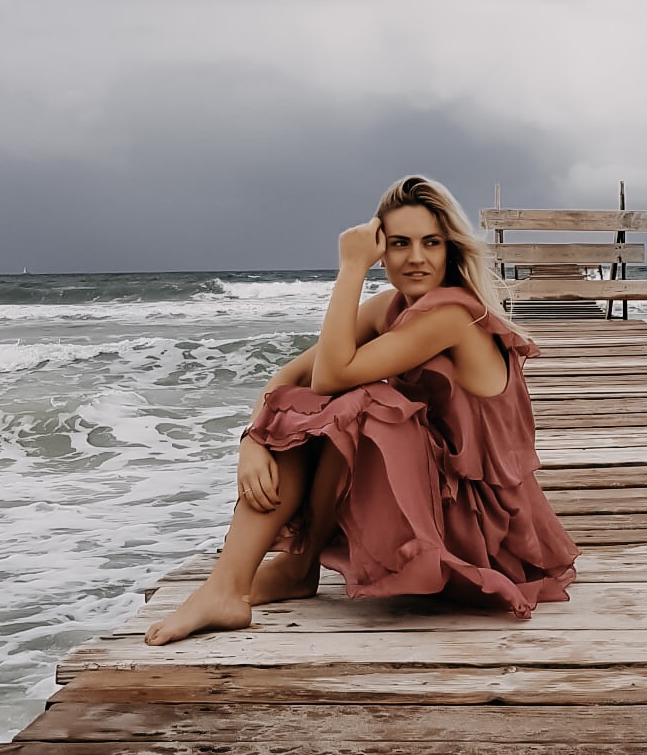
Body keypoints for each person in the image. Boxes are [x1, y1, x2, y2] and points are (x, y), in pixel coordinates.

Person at [145, 175, 578, 643]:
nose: (416, 257)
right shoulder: (390, 307)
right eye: (399, 244)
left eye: (431, 242)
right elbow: (290, 378)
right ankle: (247, 583)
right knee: (314, 405)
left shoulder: (452, 314)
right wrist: (252, 440)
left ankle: (284, 567)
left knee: (364, 403)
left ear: (451, 249)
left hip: (483, 531)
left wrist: (350, 268)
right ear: (383, 252)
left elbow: (332, 376)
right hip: (431, 502)